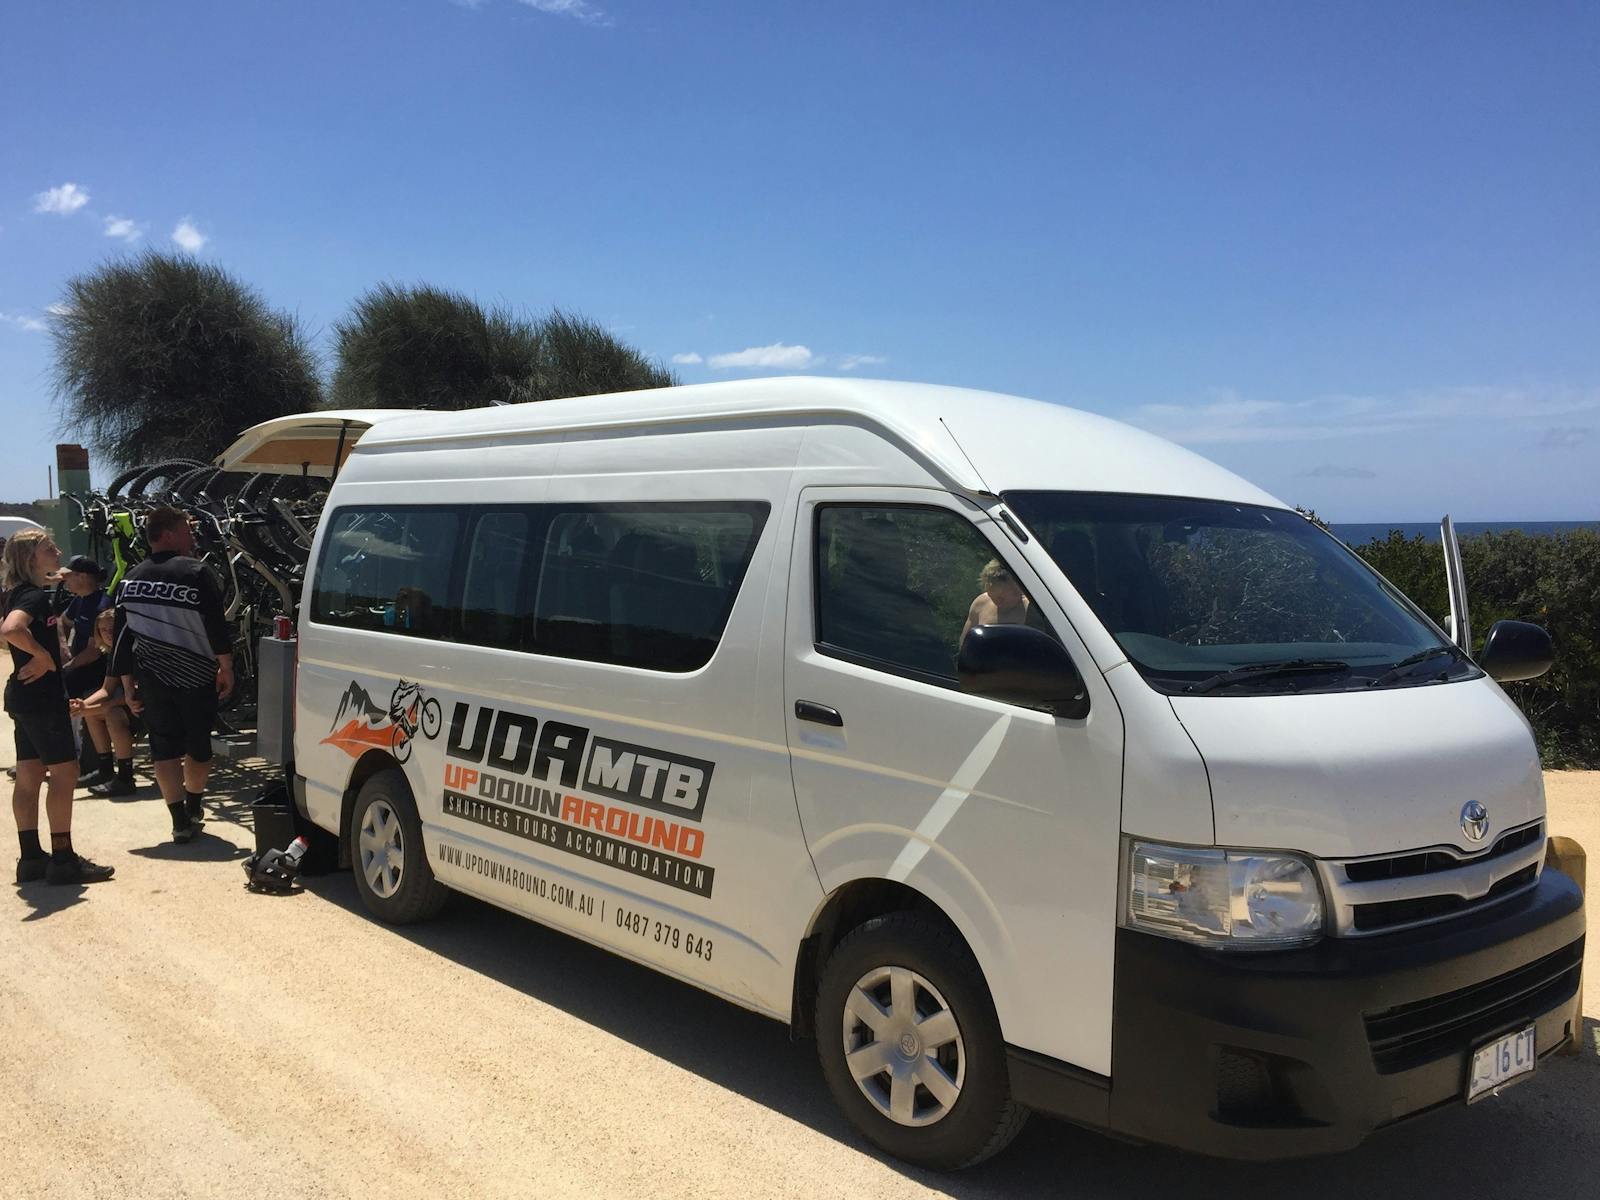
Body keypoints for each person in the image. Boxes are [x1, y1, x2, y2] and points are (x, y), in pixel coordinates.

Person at [110, 507, 233, 844]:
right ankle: (192, 806)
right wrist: (227, 667)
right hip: (196, 675)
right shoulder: (196, 571)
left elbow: (121, 636)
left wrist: (125, 686)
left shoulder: (131, 578)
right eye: (184, 529)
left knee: (162, 749)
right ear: (166, 534)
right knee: (199, 747)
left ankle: (180, 819)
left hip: (151, 678)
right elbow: (215, 625)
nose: (190, 535)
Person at [2, 530, 114, 885]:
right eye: (49, 548)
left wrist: (57, 575)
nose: (58, 551)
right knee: (65, 775)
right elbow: (11, 629)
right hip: (43, 701)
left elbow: (11, 622)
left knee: (30, 774)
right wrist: (42, 655)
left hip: (23, 698)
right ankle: (63, 859)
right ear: (31, 557)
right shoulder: (33, 597)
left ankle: (31, 857)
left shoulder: (20, 590)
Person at [56, 555, 117, 786]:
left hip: (97, 670)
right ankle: (60, 758)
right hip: (80, 667)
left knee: (65, 693)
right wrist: (64, 646)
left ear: (83, 577)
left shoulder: (101, 604)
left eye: (68, 576)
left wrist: (68, 667)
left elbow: (95, 651)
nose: (65, 581)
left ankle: (79, 761)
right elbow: (62, 621)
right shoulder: (79, 600)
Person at [68, 608, 137, 797]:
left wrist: (104, 706)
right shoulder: (114, 654)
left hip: (145, 706)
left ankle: (125, 777)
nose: (107, 633)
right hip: (126, 704)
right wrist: (81, 705)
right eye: (102, 630)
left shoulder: (134, 651)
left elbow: (138, 693)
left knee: (112, 714)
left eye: (111, 629)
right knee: (90, 713)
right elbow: (106, 690)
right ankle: (105, 769)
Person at [960, 559, 1032, 643]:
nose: (997, 603)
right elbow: (965, 645)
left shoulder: (1031, 612)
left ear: (1016, 590)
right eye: (992, 596)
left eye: (1001, 597)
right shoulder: (981, 603)